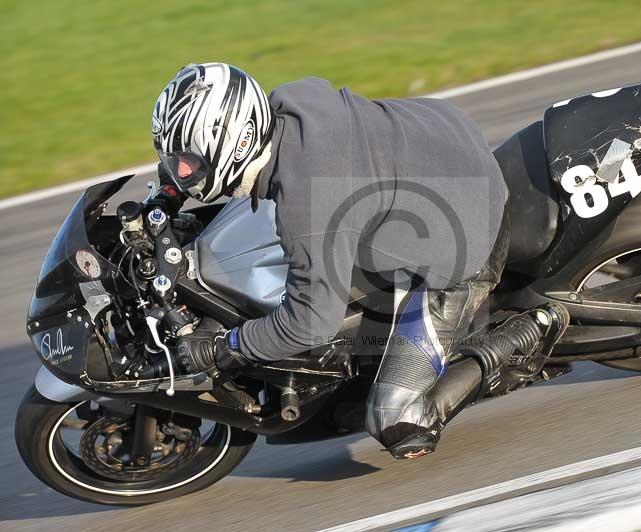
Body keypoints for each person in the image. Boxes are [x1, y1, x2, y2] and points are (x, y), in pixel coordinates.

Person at [152, 62, 568, 459]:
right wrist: (168, 195)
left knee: (396, 420)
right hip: (446, 139)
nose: (181, 170)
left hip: (469, 238)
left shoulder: (308, 209)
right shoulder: (291, 105)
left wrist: (229, 346)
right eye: (176, 161)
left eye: (189, 162)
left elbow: (309, 325)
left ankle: (529, 331)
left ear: (234, 142)